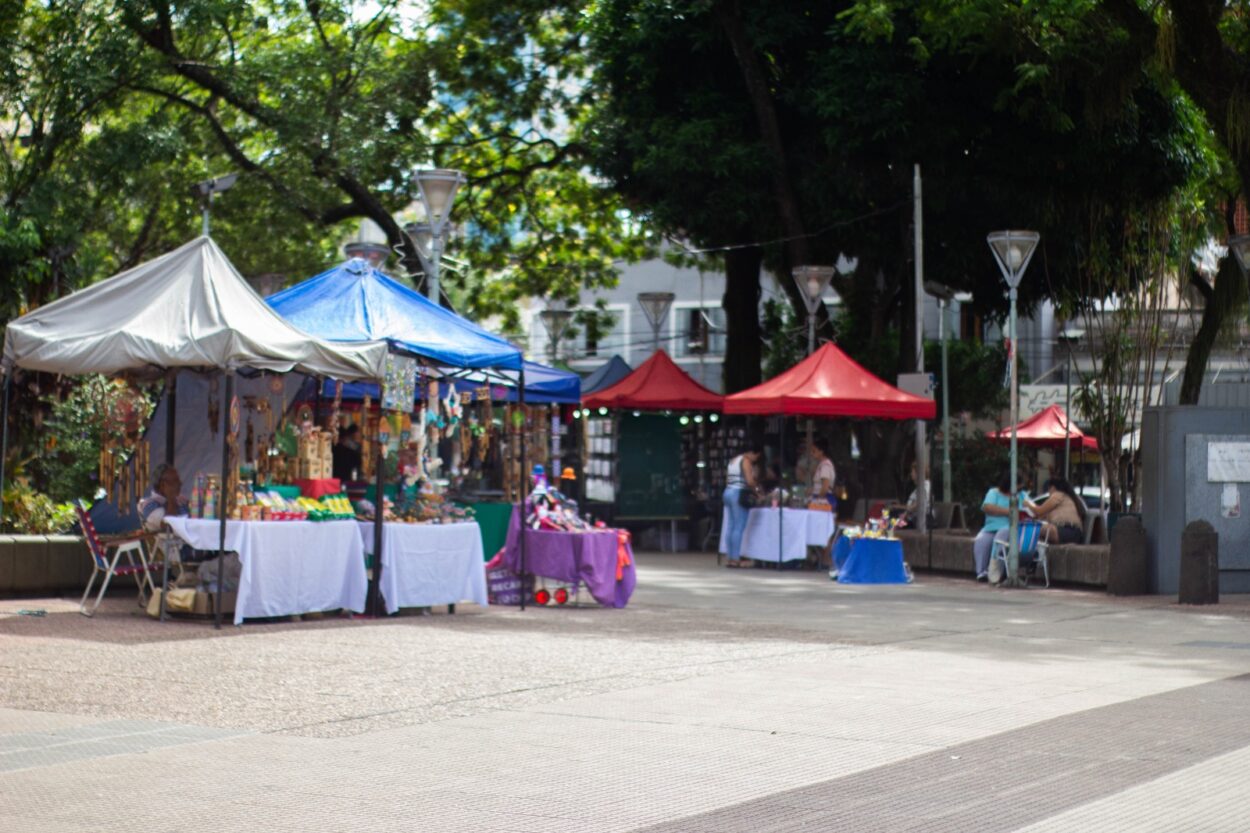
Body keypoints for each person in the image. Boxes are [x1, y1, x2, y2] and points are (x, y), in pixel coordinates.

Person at [972, 470, 1029, 582]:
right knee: (981, 541)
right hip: (990, 528)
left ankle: (995, 569)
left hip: (1010, 527)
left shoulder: (1022, 495)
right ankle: (981, 572)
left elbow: (1030, 509)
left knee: (1001, 536)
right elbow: (987, 507)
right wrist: (1010, 511)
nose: (1020, 487)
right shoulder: (994, 492)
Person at [721, 444, 763, 568]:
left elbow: (727, 479)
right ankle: (735, 559)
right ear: (751, 453)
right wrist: (757, 489)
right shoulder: (745, 461)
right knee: (738, 526)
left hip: (728, 492)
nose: (755, 459)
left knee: (730, 525)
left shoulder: (733, 461)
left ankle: (730, 557)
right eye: (756, 456)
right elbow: (749, 481)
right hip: (738, 493)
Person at [1028, 478, 1086, 544]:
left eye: (1048, 489)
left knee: (1036, 529)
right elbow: (1040, 515)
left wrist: (1027, 503)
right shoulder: (1067, 498)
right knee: (1038, 535)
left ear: (1052, 487)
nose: (1049, 493)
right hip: (1074, 534)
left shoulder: (1058, 495)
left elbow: (1038, 511)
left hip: (1067, 532)